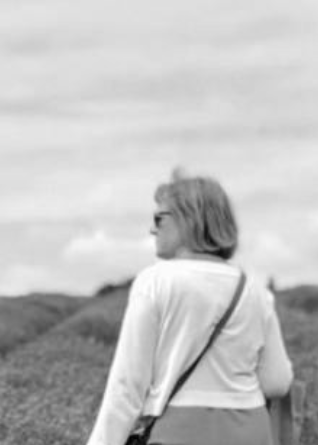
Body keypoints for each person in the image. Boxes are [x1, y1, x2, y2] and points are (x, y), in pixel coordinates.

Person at [87, 169, 294, 445]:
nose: (152, 228)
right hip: (251, 431)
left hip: (181, 431)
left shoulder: (155, 281)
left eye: (159, 218)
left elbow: (127, 387)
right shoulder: (255, 288)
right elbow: (277, 382)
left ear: (188, 219)